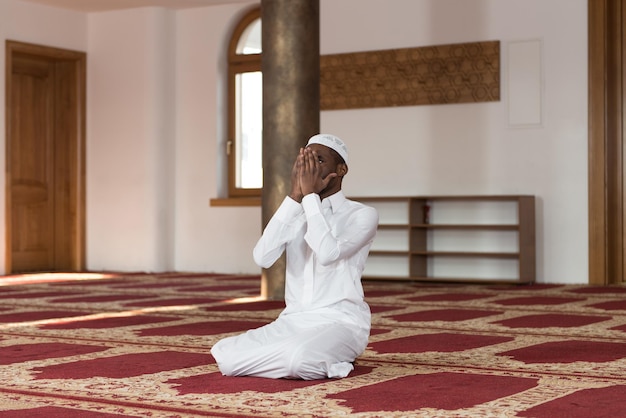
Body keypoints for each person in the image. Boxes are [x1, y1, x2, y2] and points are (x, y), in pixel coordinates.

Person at [211, 133, 378, 380]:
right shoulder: (297, 211)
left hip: (341, 322)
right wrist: (294, 197)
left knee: (297, 360)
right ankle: (310, 357)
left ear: (341, 169)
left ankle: (334, 359)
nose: (309, 167)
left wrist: (310, 197)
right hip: (293, 321)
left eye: (319, 160)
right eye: (305, 161)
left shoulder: (362, 215)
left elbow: (328, 253)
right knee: (225, 355)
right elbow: (262, 257)